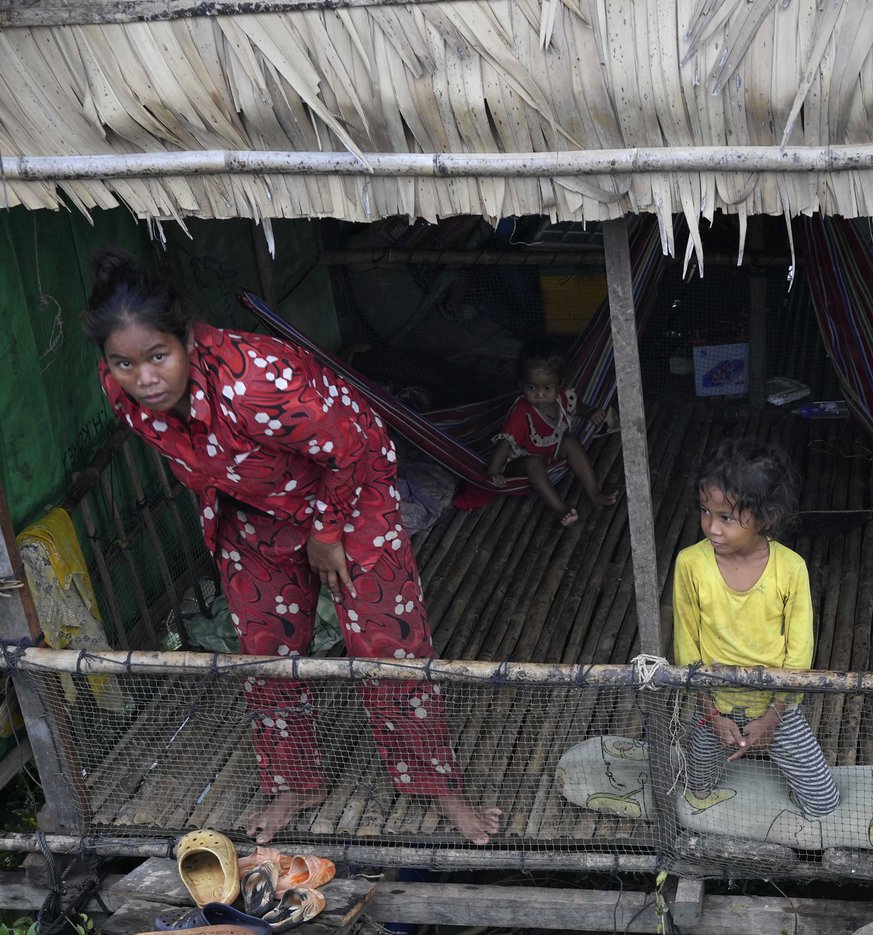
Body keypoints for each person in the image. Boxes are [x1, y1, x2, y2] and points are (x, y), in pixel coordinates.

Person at [83, 249, 502, 845]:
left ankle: (436, 787)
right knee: (265, 652)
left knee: (387, 644)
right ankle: (296, 780)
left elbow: (356, 442)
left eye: (158, 356)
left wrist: (327, 531)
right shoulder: (120, 389)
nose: (145, 378)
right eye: (124, 362)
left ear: (189, 340)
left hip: (348, 498)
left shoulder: (253, 383)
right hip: (251, 513)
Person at [671, 440, 840, 819]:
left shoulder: (791, 568)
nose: (711, 528)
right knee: (697, 790)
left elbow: (798, 652)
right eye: (704, 512)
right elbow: (686, 646)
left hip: (777, 707)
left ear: (764, 518)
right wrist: (713, 715)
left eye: (726, 518)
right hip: (712, 708)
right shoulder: (690, 565)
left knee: (824, 803)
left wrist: (773, 717)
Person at [485, 337, 618, 528]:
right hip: (520, 462)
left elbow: (576, 407)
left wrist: (589, 412)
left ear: (559, 384)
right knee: (533, 463)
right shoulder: (522, 412)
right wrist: (493, 472)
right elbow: (504, 443)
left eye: (547, 388)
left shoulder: (562, 397)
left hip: (549, 454)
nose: (539, 395)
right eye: (531, 387)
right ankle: (561, 509)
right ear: (521, 384)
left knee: (570, 442)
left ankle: (594, 493)